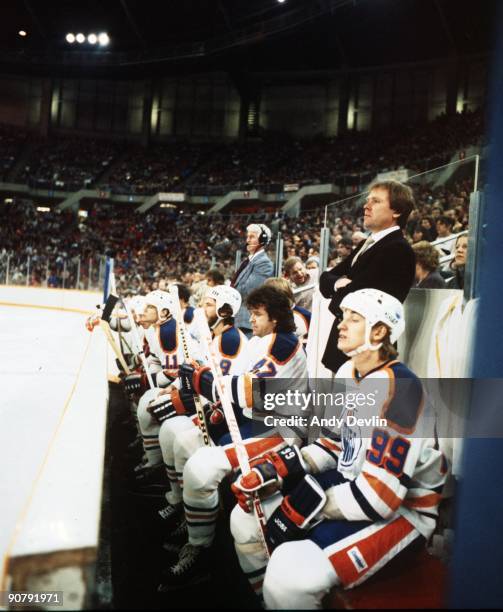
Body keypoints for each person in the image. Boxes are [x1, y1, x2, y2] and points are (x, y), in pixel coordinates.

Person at [230, 289, 447, 609]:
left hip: (405, 512)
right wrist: (275, 470)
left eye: (353, 318)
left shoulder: (402, 389)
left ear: (379, 331)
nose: (340, 325)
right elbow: (333, 444)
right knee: (244, 520)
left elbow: (380, 496)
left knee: (291, 577)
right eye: (342, 316)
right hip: (352, 486)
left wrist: (309, 504)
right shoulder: (349, 373)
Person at [157, 285, 308, 590]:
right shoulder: (261, 341)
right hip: (257, 421)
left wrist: (201, 380)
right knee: (186, 444)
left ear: (276, 317)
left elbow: (245, 392)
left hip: (281, 433)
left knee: (200, 468)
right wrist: (206, 384)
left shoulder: (285, 345)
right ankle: (196, 528)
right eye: (250, 313)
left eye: (258, 314)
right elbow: (232, 385)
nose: (251, 319)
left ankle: (201, 551)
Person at [319, 180, 416, 373]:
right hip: (349, 348)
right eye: (367, 199)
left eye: (376, 201)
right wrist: (339, 283)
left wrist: (340, 289)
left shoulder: (397, 249)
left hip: (369, 349)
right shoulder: (369, 243)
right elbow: (325, 278)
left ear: (396, 211)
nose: (366, 205)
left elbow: (355, 299)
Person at [231, 224, 274, 336]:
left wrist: (229, 293)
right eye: (247, 236)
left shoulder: (264, 263)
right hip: (237, 318)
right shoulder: (247, 262)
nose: (247, 240)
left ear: (262, 240)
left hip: (247, 321)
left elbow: (249, 291)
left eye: (252, 237)